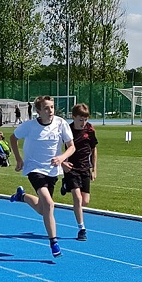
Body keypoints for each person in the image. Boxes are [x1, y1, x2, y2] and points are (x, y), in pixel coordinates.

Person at [8, 95, 75, 258]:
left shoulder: (61, 123)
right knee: (50, 205)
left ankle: (22, 196)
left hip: (52, 171)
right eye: (46, 108)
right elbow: (13, 138)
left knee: (42, 209)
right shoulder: (29, 126)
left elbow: (71, 147)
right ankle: (54, 242)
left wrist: (61, 158)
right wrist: (18, 159)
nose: (50, 110)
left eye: (52, 107)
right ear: (38, 111)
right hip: (34, 169)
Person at [60, 103, 99, 242]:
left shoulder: (90, 130)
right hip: (71, 168)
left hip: (85, 168)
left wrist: (94, 169)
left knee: (85, 201)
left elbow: (94, 149)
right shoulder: (67, 130)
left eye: (85, 120)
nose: (83, 123)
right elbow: (56, 148)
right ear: (74, 117)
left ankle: (66, 185)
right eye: (80, 120)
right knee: (77, 198)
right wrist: (62, 162)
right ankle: (81, 229)